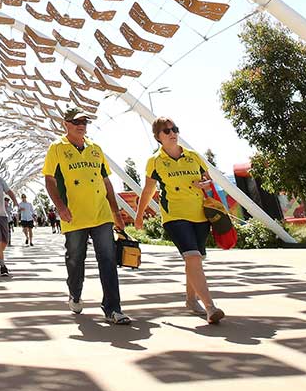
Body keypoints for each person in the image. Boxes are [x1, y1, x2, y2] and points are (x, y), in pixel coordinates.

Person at [44, 107, 130, 324]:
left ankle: (113, 308)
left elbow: (107, 181)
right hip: (74, 216)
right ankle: (75, 293)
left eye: (84, 121)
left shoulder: (95, 149)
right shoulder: (57, 148)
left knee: (108, 259)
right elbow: (49, 180)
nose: (81, 125)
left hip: (100, 213)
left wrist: (115, 211)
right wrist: (61, 208)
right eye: (76, 121)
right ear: (66, 124)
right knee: (75, 259)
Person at [137, 117, 225, 324]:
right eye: (166, 131)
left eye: (174, 129)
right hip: (175, 216)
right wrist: (139, 215)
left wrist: (206, 184)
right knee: (193, 257)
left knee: (194, 260)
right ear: (158, 137)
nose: (172, 133)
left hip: (199, 214)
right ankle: (210, 307)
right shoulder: (155, 161)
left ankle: (190, 300)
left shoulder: (193, 156)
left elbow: (208, 179)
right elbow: (149, 190)